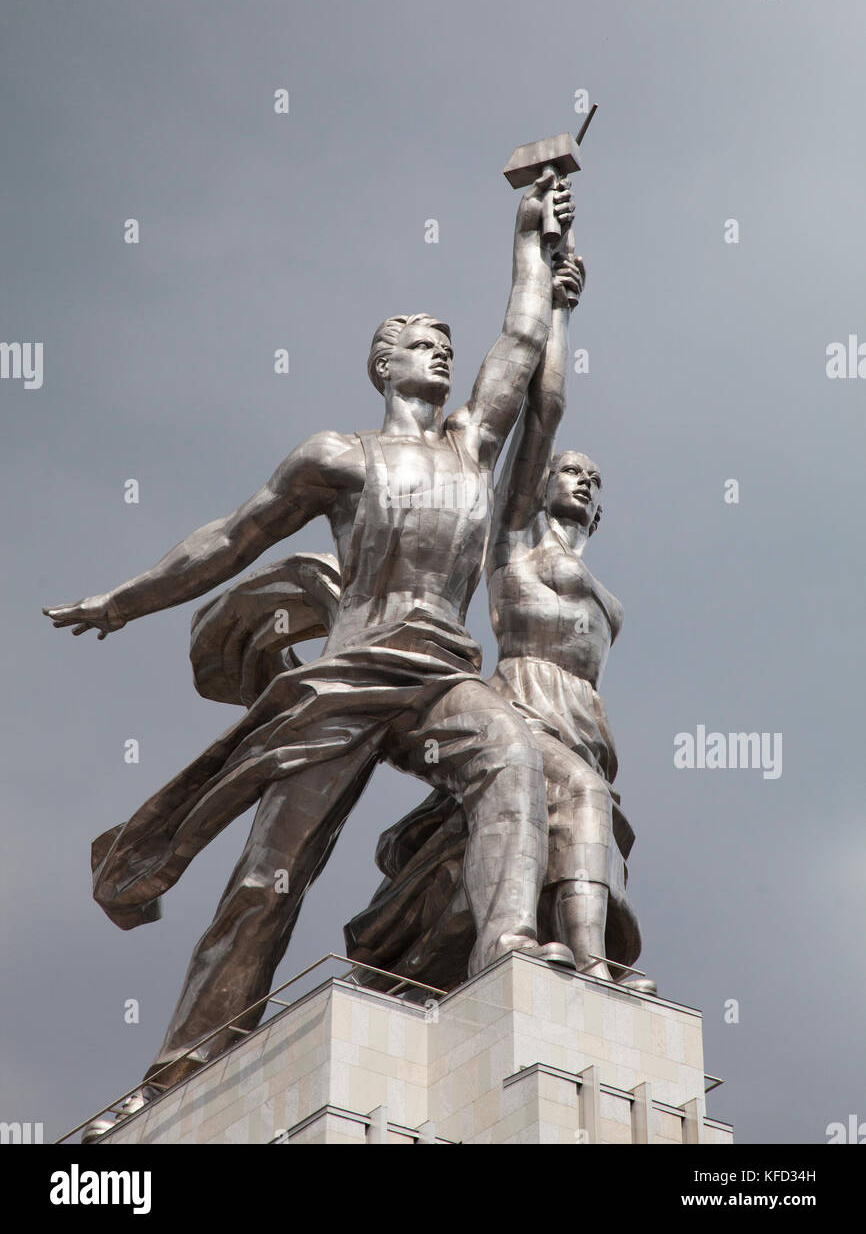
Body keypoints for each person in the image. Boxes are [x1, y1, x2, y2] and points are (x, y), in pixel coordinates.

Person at [44, 172, 583, 1128]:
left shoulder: (471, 448)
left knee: (507, 756)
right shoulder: (338, 456)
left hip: (437, 673)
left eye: (445, 345)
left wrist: (530, 240)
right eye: (421, 343)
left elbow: (523, 341)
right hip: (345, 676)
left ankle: (506, 944)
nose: (443, 353)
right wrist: (127, 600)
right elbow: (230, 538)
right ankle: (185, 1062)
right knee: (268, 875)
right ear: (383, 366)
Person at [345, 275, 653, 993]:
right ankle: (592, 961)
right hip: (522, 706)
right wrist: (560, 311)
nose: (579, 482)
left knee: (584, 814)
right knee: (580, 794)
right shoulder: (513, 545)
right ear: (537, 485)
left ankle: (587, 966)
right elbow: (546, 408)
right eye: (567, 472)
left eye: (592, 479)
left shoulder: (611, 601)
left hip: (582, 722)